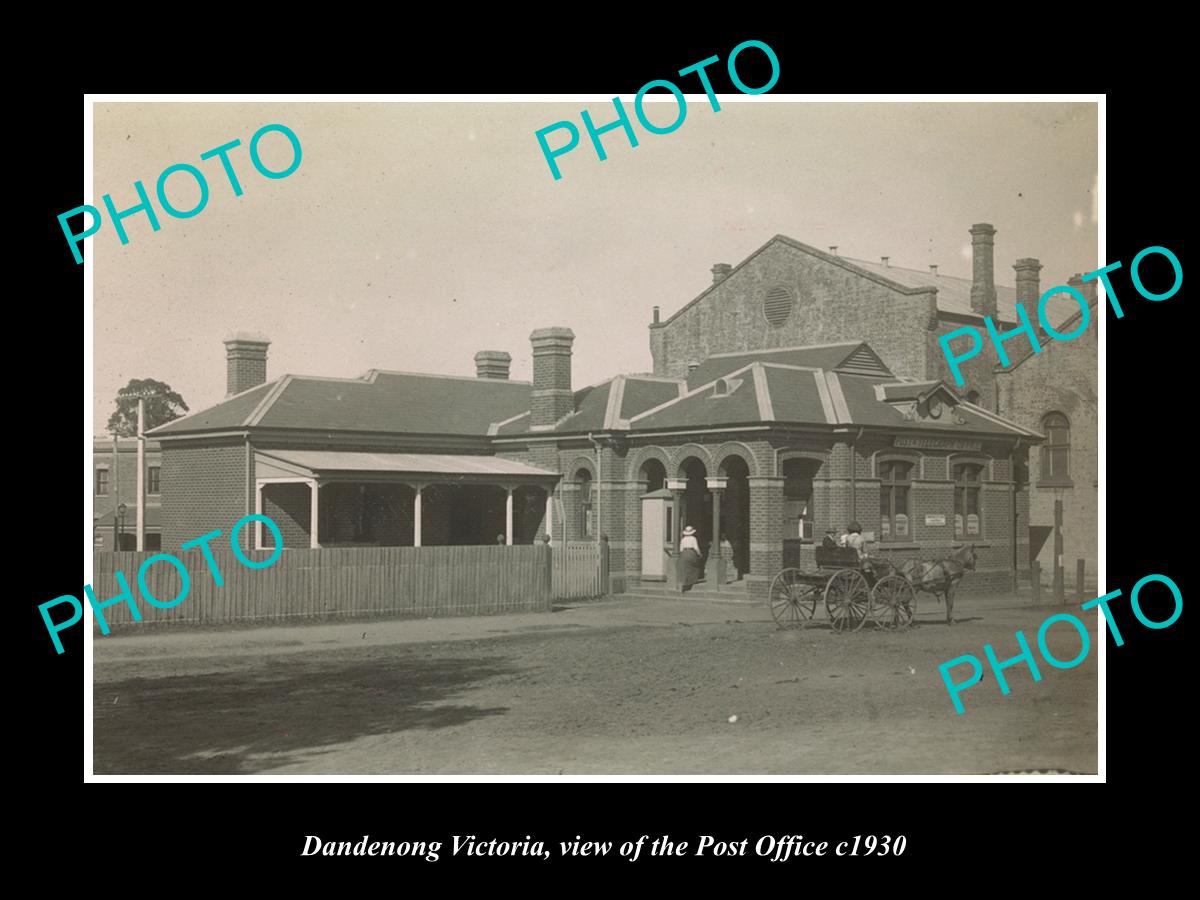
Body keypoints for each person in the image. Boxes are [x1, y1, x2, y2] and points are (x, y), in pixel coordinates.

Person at [679, 525, 703, 592]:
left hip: (684, 553)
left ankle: (685, 582)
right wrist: (699, 554)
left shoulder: (683, 539)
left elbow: (681, 549)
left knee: (685, 568)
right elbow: (696, 547)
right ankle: (691, 581)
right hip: (691, 552)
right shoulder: (693, 538)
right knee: (695, 566)